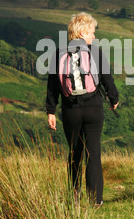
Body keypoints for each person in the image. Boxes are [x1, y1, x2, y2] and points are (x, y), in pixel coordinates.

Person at [46, 12, 119, 206]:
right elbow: (107, 79)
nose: (94, 37)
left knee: (74, 153)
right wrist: (114, 99)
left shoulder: (58, 53)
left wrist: (50, 111)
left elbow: (53, 86)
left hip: (71, 110)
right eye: (91, 32)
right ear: (81, 32)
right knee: (93, 153)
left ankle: (74, 199)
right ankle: (96, 200)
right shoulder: (95, 52)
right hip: (93, 108)